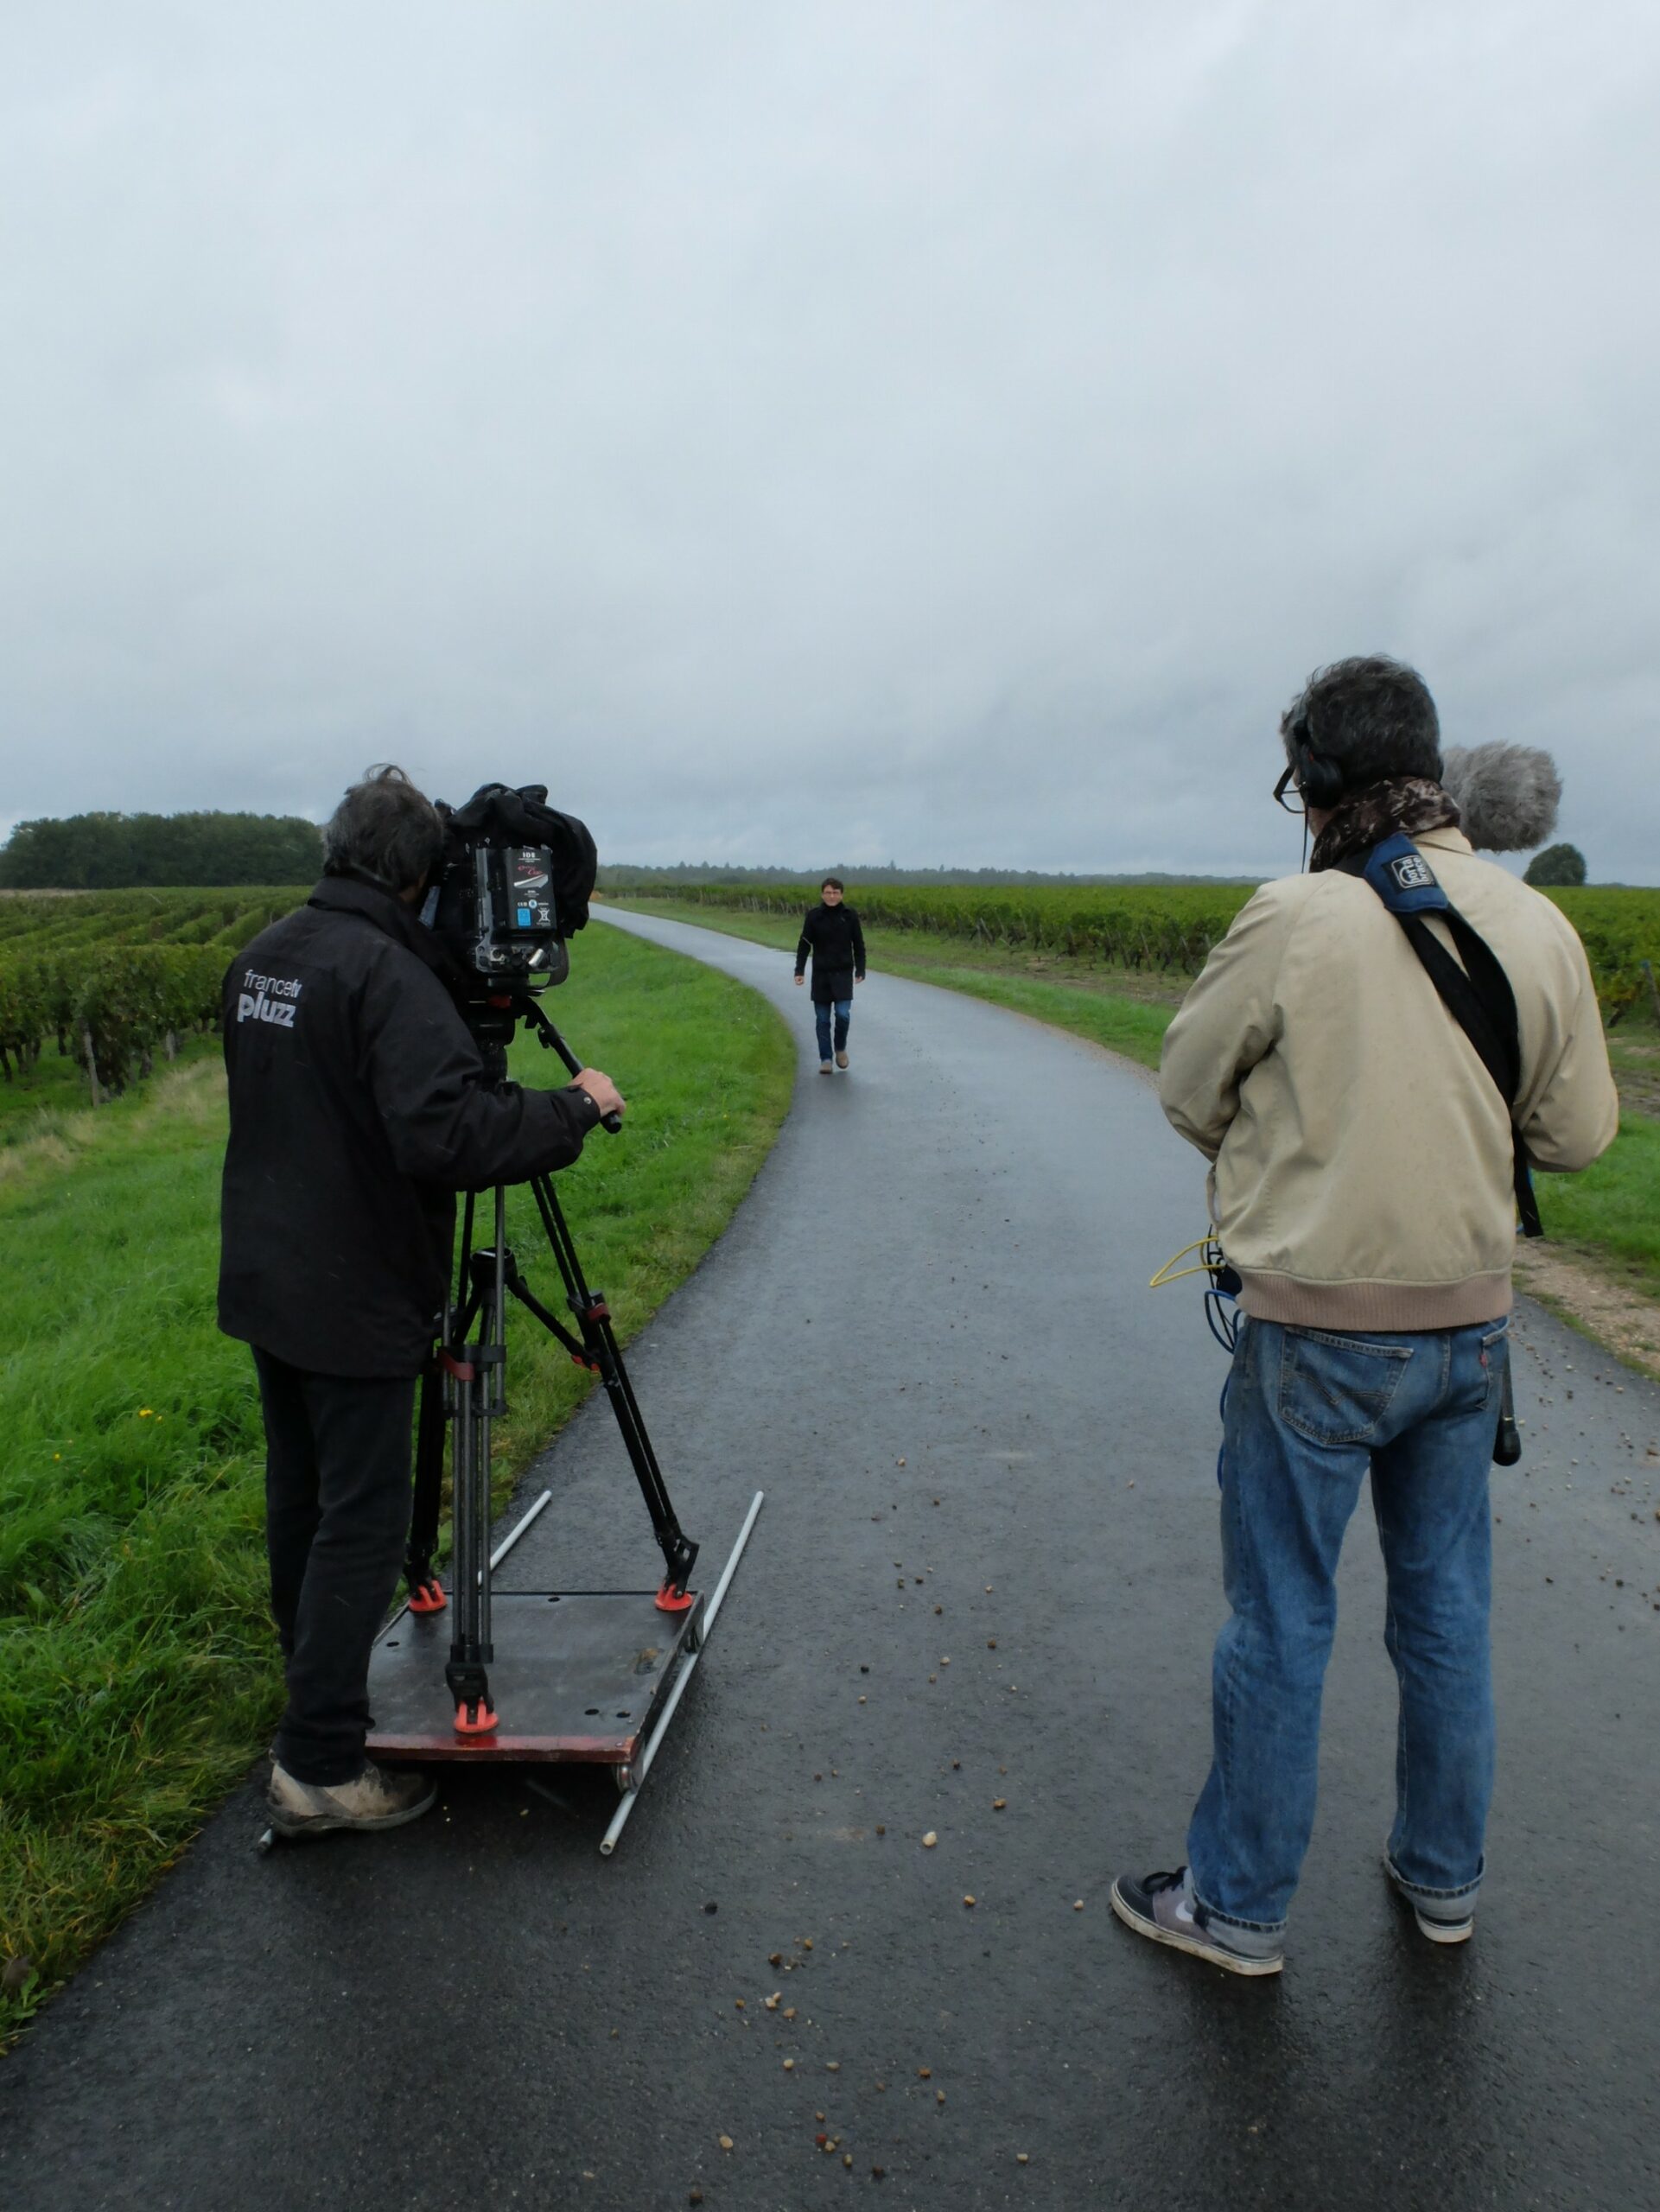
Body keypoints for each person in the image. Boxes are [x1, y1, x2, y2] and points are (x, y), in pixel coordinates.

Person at [1112, 658, 1618, 1975]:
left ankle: (1237, 1910)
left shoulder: (1295, 917)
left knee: (1281, 1617)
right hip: (1469, 1330)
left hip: (1313, 1329)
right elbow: (1575, 1138)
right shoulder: (1533, 924)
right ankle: (1442, 1879)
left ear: (1320, 779)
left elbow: (1184, 1088)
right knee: (1445, 1613)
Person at [218, 766, 625, 1840]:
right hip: (352, 1290)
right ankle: (318, 1767)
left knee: (300, 1495)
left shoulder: (269, 954)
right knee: (364, 1517)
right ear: (416, 874)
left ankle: (311, 1687)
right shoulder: (388, 978)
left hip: (268, 1276)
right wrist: (573, 1107)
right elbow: (451, 1135)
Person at [794, 876, 867, 1071]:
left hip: (843, 974)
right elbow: (804, 945)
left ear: (841, 894)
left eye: (835, 892)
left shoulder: (850, 915)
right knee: (823, 1019)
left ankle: (840, 1049)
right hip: (821, 975)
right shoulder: (814, 916)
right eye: (828, 892)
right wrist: (799, 970)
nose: (831, 896)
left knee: (843, 1015)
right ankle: (825, 1059)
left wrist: (861, 969)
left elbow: (858, 945)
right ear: (822, 894)